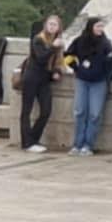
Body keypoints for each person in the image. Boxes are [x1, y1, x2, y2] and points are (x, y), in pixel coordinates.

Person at [66, 17, 112, 155]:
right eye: (98, 26)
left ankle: (88, 145)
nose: (100, 29)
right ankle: (77, 144)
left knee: (95, 114)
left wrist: (107, 76)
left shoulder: (106, 43)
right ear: (91, 27)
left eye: (102, 27)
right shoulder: (79, 41)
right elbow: (67, 56)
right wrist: (77, 68)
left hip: (99, 82)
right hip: (82, 80)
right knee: (80, 111)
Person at [18, 14, 64, 152]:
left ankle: (33, 138)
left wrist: (57, 71)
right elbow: (41, 58)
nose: (52, 27)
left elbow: (58, 61)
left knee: (46, 110)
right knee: (26, 110)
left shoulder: (57, 41)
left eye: (55, 25)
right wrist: (53, 47)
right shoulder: (38, 39)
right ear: (45, 25)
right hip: (31, 77)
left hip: (44, 79)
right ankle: (27, 143)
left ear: (59, 27)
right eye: (50, 24)